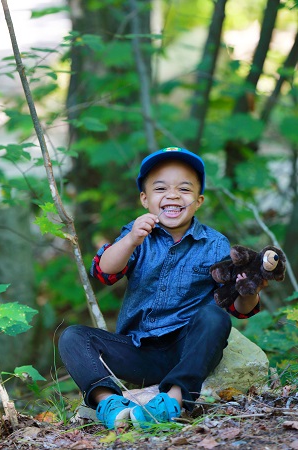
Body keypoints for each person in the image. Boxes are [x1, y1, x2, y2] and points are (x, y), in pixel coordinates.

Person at [59, 147, 264, 430]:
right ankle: (109, 403)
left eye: (184, 188)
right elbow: (104, 272)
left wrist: (248, 290)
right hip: (137, 350)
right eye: (160, 188)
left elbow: (239, 309)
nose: (172, 194)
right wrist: (131, 239)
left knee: (214, 316)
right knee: (73, 337)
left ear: (198, 200)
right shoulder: (136, 233)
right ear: (145, 199)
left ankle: (173, 400)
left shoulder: (215, 244)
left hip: (188, 348)